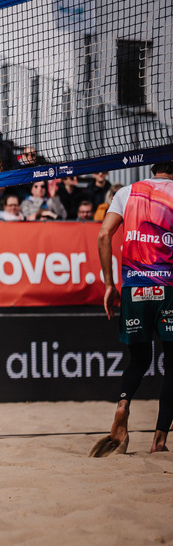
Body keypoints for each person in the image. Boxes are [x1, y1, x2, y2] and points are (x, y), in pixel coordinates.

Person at [91, 162, 173, 457]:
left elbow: (103, 235)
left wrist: (109, 284)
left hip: (133, 288)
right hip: (167, 287)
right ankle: (159, 441)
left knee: (139, 359)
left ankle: (123, 404)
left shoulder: (126, 192)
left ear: (153, 165)